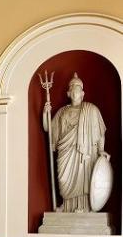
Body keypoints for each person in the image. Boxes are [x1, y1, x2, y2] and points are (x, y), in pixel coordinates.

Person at [43, 73, 108, 213]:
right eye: (71, 88)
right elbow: (49, 128)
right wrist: (45, 113)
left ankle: (85, 206)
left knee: (84, 177)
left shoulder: (91, 109)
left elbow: (100, 132)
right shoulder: (62, 112)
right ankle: (67, 205)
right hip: (66, 151)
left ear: (83, 93)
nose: (74, 91)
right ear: (68, 93)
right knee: (63, 179)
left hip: (85, 152)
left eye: (77, 88)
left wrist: (101, 150)